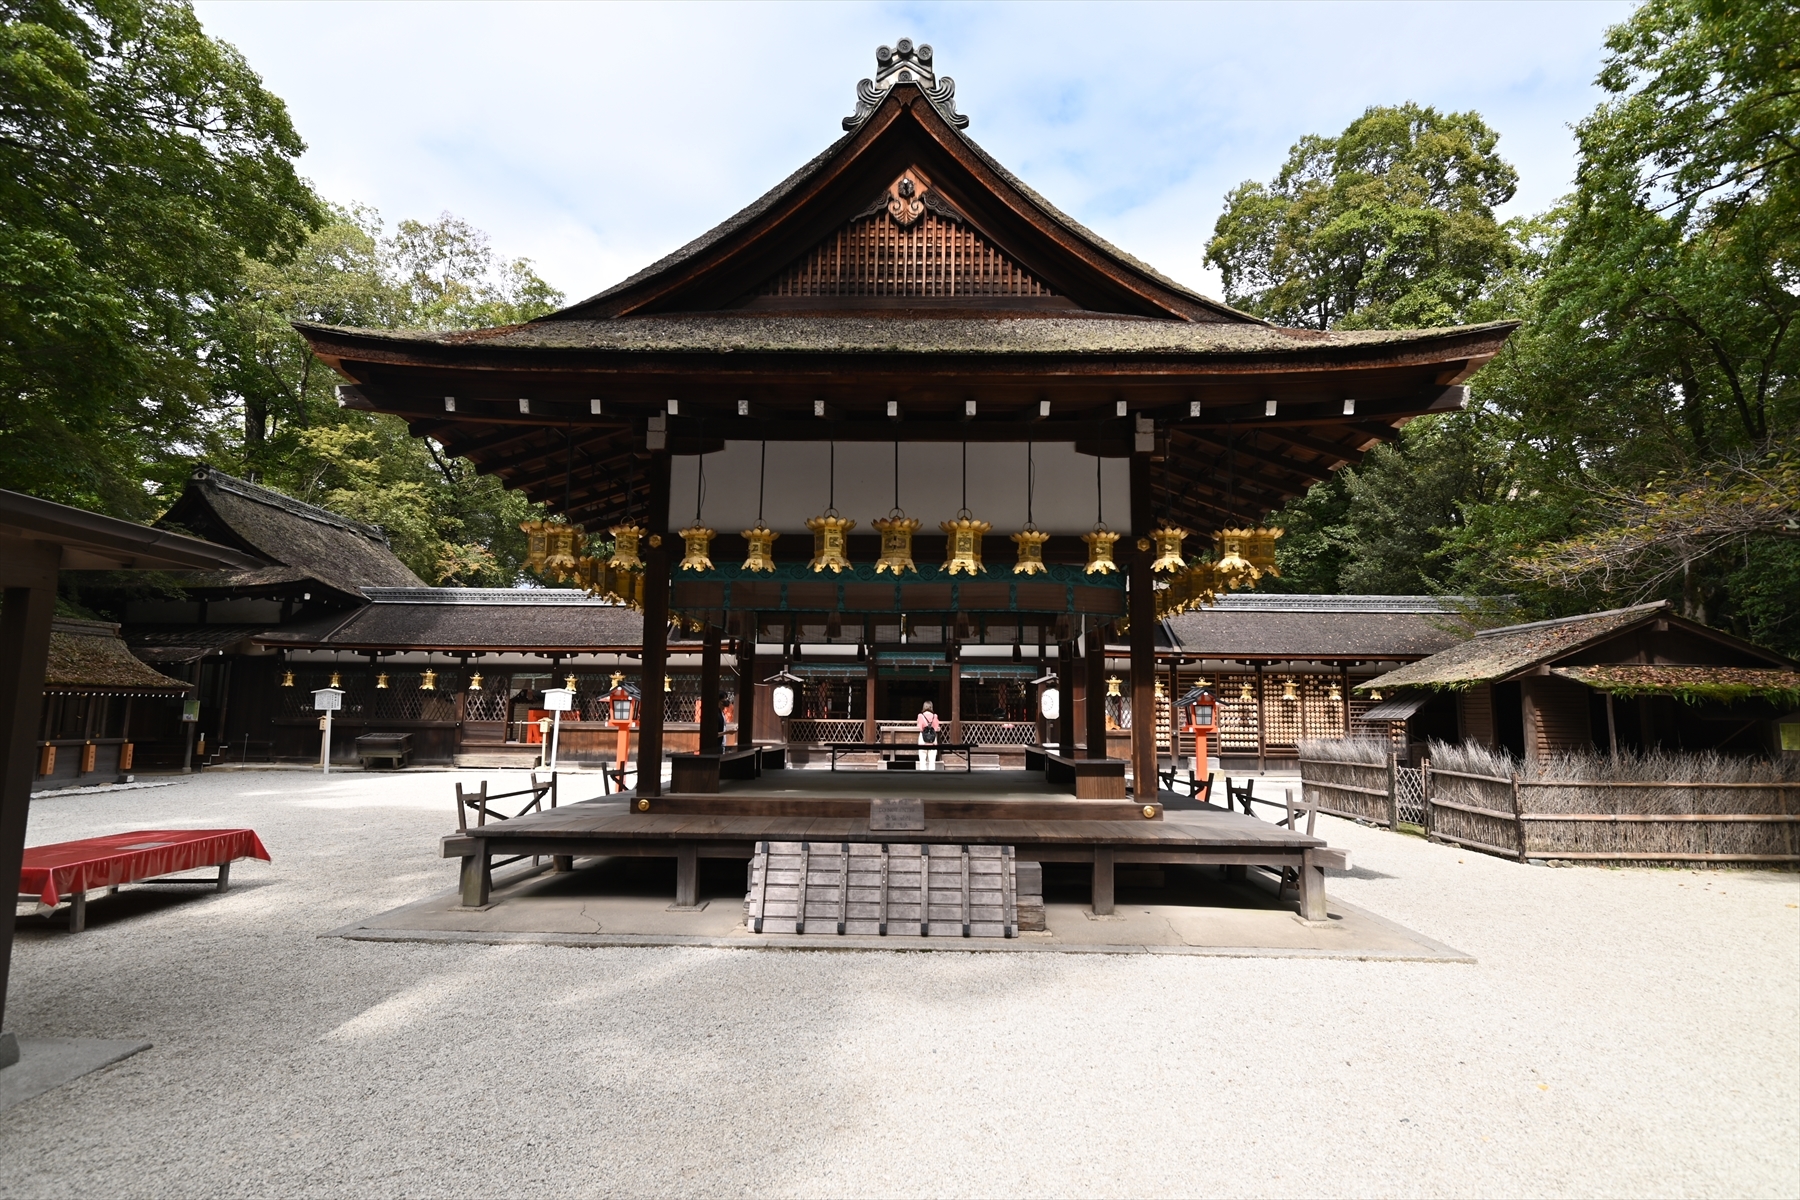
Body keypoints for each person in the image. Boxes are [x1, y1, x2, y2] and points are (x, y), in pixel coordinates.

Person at [917, 699, 941, 771]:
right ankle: (932, 777)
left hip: (923, 739)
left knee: (922, 761)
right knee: (932, 761)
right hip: (933, 740)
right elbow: (936, 728)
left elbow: (920, 728)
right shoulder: (935, 716)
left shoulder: (920, 716)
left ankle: (923, 777)